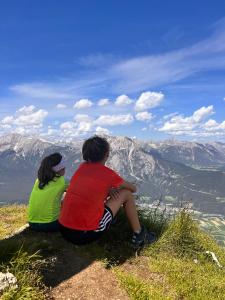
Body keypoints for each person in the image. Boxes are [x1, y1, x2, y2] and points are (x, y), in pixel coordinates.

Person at [59, 136, 155, 247]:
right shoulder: (109, 174)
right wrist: (115, 187)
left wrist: (108, 189)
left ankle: (113, 221)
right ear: (107, 155)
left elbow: (91, 186)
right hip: (84, 234)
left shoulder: (81, 168)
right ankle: (139, 234)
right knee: (127, 194)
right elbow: (133, 189)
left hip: (63, 228)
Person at [28, 153, 68, 232]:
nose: (65, 168)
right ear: (59, 168)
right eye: (63, 167)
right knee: (68, 197)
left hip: (32, 223)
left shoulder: (38, 181)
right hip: (51, 224)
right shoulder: (63, 181)